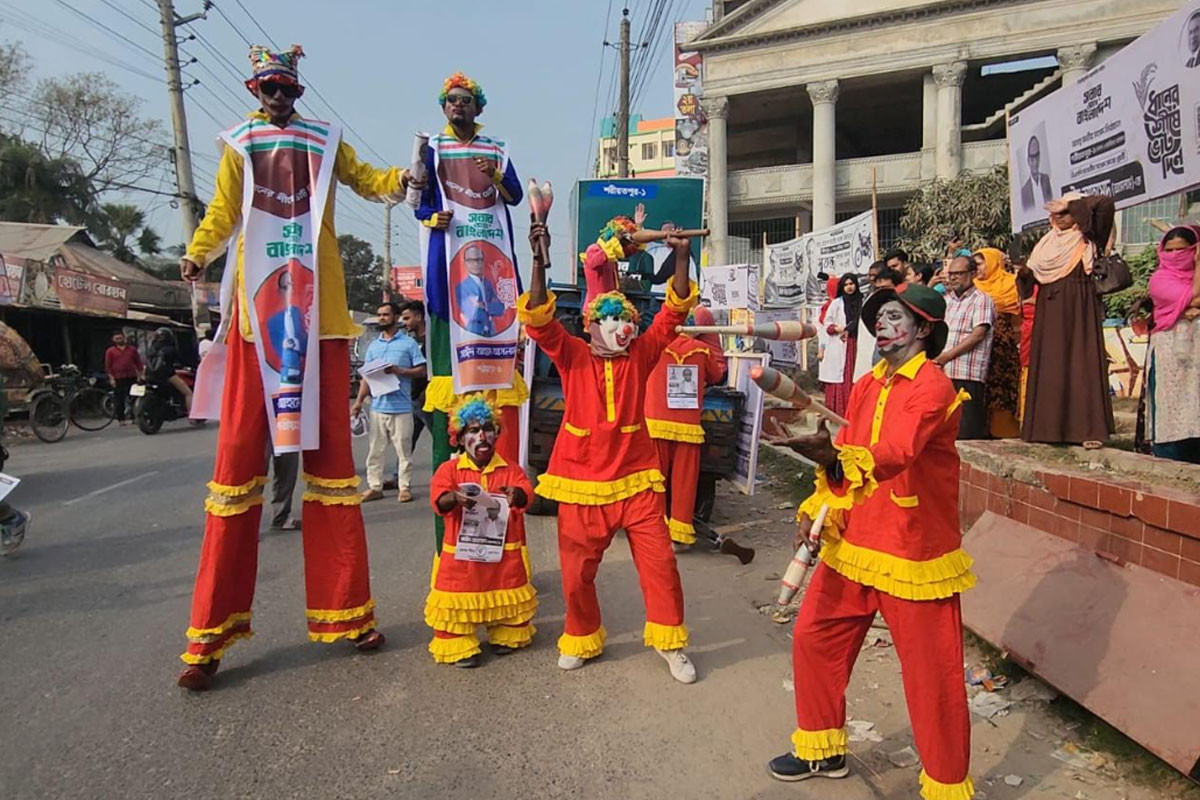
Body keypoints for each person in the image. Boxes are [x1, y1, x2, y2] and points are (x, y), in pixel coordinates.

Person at [175, 43, 413, 690]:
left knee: (333, 466)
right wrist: (198, 253)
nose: (278, 97)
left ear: (298, 91)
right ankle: (208, 639)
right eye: (268, 87)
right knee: (235, 468)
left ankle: (350, 614)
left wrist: (406, 178)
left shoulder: (325, 140)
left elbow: (370, 180)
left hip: (324, 323)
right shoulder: (238, 142)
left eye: (286, 87)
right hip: (259, 325)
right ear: (256, 90)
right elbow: (224, 213)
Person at [764, 282, 974, 800]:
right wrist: (819, 509)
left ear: (923, 328)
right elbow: (852, 446)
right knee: (815, 637)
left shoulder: (933, 388)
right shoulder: (868, 384)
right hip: (857, 538)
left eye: (894, 316)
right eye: (877, 316)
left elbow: (897, 452)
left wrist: (835, 459)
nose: (880, 324)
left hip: (913, 550)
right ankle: (822, 749)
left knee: (932, 676)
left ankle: (946, 785)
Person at [518, 217, 699, 684]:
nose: (618, 327)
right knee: (576, 575)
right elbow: (538, 317)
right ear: (591, 326)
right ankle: (582, 634)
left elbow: (673, 314)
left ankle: (671, 642)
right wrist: (539, 261)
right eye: (608, 320)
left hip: (637, 480)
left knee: (661, 565)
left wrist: (680, 255)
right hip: (579, 481)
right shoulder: (573, 355)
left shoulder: (641, 353)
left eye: (624, 320)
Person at [415, 72, 527, 474]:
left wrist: (494, 173)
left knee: (493, 360)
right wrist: (433, 218)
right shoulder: (432, 149)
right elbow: (420, 203)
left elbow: (513, 196)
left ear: (478, 107)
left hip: (491, 254)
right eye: (451, 100)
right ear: (443, 107)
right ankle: (451, 469)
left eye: (465, 99)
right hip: (447, 267)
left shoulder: (496, 148)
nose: (457, 105)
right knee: (448, 371)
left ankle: (497, 470)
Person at [425, 395, 536, 666]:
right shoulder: (449, 470)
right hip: (462, 559)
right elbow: (438, 500)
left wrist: (518, 495)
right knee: (458, 599)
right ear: (460, 438)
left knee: (506, 590)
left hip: (502, 557)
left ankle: (505, 633)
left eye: (488, 429)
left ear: (496, 434)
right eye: (473, 431)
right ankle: (459, 644)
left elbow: (527, 493)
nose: (482, 436)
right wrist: (453, 498)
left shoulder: (510, 469)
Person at [1020, 193, 1115, 447]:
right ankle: (1047, 430)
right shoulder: (1045, 244)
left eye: (1065, 213)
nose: (1058, 218)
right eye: (1055, 213)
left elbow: (1105, 204)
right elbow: (1029, 279)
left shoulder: (1088, 238)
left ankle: (1087, 431)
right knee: (1051, 365)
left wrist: (1072, 203)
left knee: (1080, 363)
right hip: (1049, 311)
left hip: (1079, 310)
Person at [644, 305, 727, 547]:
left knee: (655, 478)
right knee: (684, 482)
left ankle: (652, 528)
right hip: (688, 426)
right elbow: (715, 376)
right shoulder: (701, 350)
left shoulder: (656, 345)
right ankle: (679, 534)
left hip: (656, 422)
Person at [353, 302, 427, 503]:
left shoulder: (409, 344)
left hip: (402, 407)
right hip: (378, 407)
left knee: (404, 451)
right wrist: (359, 402)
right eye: (380, 315)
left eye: (386, 314)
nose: (382, 318)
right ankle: (374, 486)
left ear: (395, 318)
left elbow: (422, 370)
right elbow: (365, 377)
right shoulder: (373, 346)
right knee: (375, 452)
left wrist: (400, 371)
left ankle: (404, 487)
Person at [1145, 226, 1200, 462]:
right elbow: (1196, 294)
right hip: (1170, 353)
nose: (1176, 255)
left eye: (1182, 250)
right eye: (1170, 250)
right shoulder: (1159, 280)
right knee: (1171, 408)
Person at [933, 255, 995, 439]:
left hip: (967, 374)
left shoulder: (981, 299)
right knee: (945, 432)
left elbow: (978, 334)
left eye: (959, 273)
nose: (953, 278)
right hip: (942, 374)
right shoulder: (946, 300)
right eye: (950, 274)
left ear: (973, 274)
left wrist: (947, 356)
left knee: (966, 433)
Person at [973, 248, 1022, 438]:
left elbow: (1019, 318)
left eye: (980, 263)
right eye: (974, 264)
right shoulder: (972, 287)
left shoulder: (1011, 284)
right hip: (976, 347)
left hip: (1003, 346)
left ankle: (1005, 431)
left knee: (1002, 389)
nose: (976, 268)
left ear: (993, 262)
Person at [581, 210, 647, 309]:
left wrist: (638, 227)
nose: (626, 242)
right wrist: (616, 239)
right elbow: (595, 262)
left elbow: (632, 248)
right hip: (595, 309)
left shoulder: (613, 253)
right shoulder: (594, 249)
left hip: (610, 307)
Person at [821, 274, 860, 417]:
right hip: (840, 344)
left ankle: (854, 414)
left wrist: (849, 330)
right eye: (846, 284)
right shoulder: (837, 303)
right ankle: (839, 414)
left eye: (852, 284)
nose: (849, 287)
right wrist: (837, 329)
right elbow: (827, 323)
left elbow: (862, 321)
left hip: (857, 344)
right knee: (839, 379)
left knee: (855, 377)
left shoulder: (862, 302)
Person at [456, 244, 505, 337]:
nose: (476, 264)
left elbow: (500, 308)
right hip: (473, 334)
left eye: (479, 260)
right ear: (465, 263)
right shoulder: (461, 287)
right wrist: (489, 305)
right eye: (471, 260)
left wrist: (484, 305)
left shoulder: (488, 284)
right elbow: (473, 313)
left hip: (492, 333)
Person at [146, 328, 193, 414]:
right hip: (167, 375)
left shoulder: (151, 348)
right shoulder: (170, 349)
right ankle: (192, 414)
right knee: (188, 393)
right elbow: (181, 360)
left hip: (150, 375)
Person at [104, 331, 143, 426]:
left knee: (134, 398)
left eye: (120, 338)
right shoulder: (110, 351)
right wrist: (111, 379)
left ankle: (135, 418)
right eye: (117, 339)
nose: (119, 340)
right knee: (119, 399)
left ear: (124, 338)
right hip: (118, 378)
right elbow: (108, 366)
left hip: (132, 376)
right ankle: (121, 419)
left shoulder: (132, 349)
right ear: (113, 340)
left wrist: (140, 375)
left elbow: (138, 363)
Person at [1020, 136, 1054, 209]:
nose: (1035, 163)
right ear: (1028, 161)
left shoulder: (1046, 179)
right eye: (1032, 160)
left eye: (1037, 158)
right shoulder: (1024, 191)